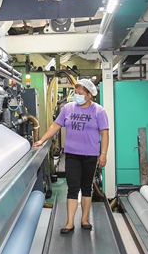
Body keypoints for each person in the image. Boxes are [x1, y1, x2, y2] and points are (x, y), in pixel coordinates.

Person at [33, 78, 109, 234]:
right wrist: (41, 140)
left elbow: (104, 133)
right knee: (72, 188)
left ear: (89, 95)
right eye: (76, 91)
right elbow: (56, 125)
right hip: (72, 154)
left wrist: (103, 154)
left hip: (90, 155)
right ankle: (69, 223)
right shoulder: (68, 108)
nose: (77, 94)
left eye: (81, 92)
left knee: (86, 187)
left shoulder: (99, 111)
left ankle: (85, 219)